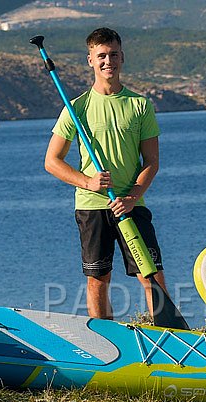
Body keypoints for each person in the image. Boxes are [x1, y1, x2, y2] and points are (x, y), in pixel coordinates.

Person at [44, 27, 166, 320]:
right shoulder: (76, 108)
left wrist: (133, 196)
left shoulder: (140, 105)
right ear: (90, 60)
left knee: (152, 277)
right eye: (101, 55)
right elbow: (52, 161)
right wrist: (88, 181)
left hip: (131, 206)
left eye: (113, 54)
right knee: (98, 279)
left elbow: (151, 161)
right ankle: (105, 343)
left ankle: (168, 336)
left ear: (122, 57)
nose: (107, 61)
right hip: (92, 206)